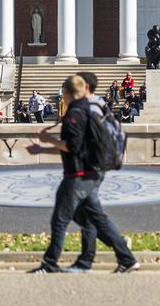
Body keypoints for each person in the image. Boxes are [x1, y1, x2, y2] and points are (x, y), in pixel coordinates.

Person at [27, 75, 139, 274]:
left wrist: (47, 139)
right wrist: (42, 149)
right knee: (93, 219)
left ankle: (50, 264)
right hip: (90, 172)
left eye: (63, 92)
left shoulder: (75, 113)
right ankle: (125, 257)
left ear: (67, 93)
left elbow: (72, 146)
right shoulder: (88, 109)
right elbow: (76, 147)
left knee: (60, 220)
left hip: (78, 175)